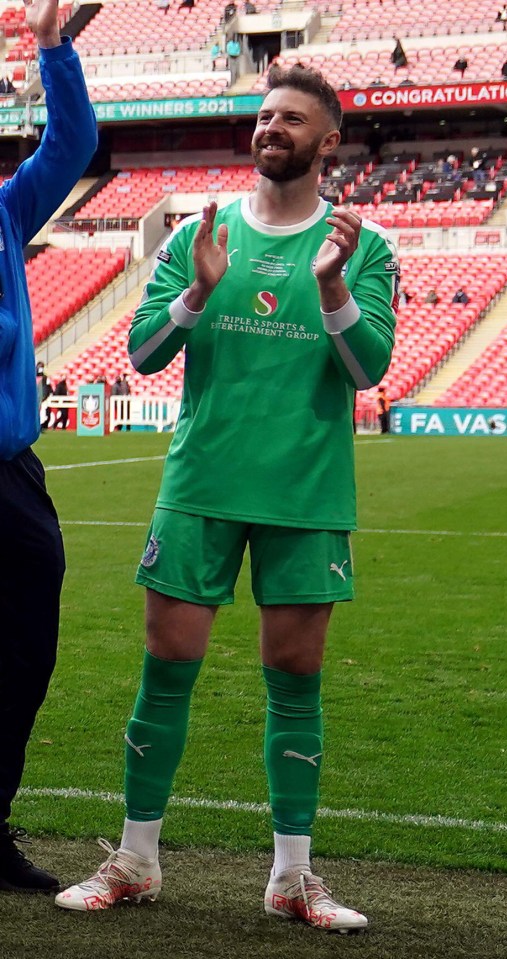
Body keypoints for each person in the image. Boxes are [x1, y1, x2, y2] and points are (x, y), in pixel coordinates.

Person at [55, 63, 397, 932]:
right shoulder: (196, 236)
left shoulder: (365, 246)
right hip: (200, 480)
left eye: (291, 118)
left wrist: (330, 290)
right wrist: (200, 291)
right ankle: (135, 858)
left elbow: (370, 370)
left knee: (296, 675)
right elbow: (139, 353)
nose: (269, 127)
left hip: (305, 491)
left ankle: (292, 875)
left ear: (328, 142)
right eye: (264, 115)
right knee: (164, 668)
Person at [0, 0, 96, 894]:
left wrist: (53, 50)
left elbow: (69, 148)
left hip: (10, 477)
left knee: (26, 650)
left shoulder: (4, 212)